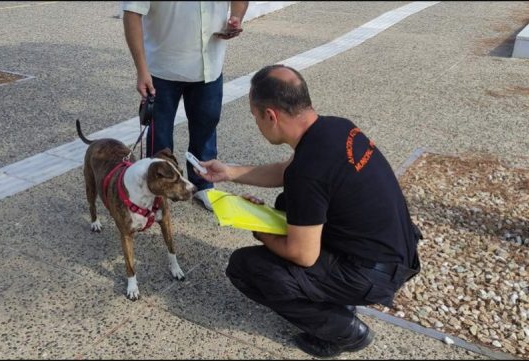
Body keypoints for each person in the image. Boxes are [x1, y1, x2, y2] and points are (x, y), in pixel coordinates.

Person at [196, 64, 422, 358]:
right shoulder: (335, 127)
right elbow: (286, 171)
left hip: (372, 274)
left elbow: (304, 254)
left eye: (255, 117)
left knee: (246, 268)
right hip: (398, 250)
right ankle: (334, 294)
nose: (257, 124)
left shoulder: (309, 171)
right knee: (286, 204)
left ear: (271, 115)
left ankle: (344, 331)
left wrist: (258, 228)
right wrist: (230, 172)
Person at [122, 1, 248, 211]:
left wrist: (236, 17)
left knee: (206, 127)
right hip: (162, 69)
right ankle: (155, 191)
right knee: (159, 136)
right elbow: (132, 13)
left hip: (210, 66)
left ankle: (202, 184)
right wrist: (141, 70)